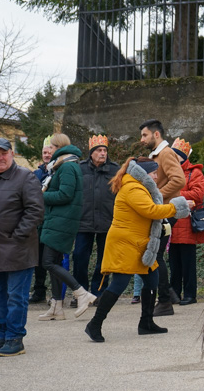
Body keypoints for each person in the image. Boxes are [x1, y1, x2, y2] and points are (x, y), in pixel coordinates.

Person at [83, 158, 189, 342]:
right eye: (154, 173)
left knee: (152, 278)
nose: (156, 176)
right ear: (143, 173)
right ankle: (94, 324)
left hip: (138, 244)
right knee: (119, 283)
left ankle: (146, 323)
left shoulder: (139, 187)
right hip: (125, 243)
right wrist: (176, 207)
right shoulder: (133, 187)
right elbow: (152, 211)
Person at [0, 138, 45, 357]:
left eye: (4, 153)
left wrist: (17, 237)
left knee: (16, 296)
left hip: (18, 249)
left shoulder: (25, 177)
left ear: (11, 154)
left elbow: (35, 211)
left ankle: (15, 337)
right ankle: (2, 333)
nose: (0, 157)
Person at [37, 133, 97, 321]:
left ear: (58, 147)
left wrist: (39, 195)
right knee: (52, 261)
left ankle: (80, 292)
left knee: (47, 262)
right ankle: (56, 306)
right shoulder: (63, 165)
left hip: (61, 221)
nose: (49, 151)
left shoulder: (67, 166)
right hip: (58, 220)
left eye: (51, 147)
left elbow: (65, 194)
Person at [139, 119, 185, 316]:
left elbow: (179, 179)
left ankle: (165, 300)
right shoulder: (158, 154)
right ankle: (169, 295)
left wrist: (157, 195)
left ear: (156, 135)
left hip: (165, 212)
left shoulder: (165, 153)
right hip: (162, 211)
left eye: (145, 135)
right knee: (156, 255)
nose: (142, 140)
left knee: (156, 256)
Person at [73, 134, 119, 301]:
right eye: (99, 150)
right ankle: (81, 294)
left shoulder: (115, 170)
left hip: (107, 221)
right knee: (79, 258)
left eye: (105, 150)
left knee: (104, 261)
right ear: (91, 153)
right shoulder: (80, 168)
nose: (102, 153)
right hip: (83, 222)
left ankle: (99, 293)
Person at [168, 138, 204, 305]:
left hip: (187, 223)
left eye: (175, 155)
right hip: (172, 222)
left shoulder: (194, 172)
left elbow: (198, 194)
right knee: (174, 262)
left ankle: (190, 294)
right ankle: (174, 293)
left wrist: (175, 195)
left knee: (188, 263)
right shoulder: (168, 171)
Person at [29, 137, 54, 304]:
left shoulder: (58, 172)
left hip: (51, 220)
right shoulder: (36, 174)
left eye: (49, 152)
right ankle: (39, 291)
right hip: (37, 221)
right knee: (37, 259)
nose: (46, 155)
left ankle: (56, 293)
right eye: (44, 152)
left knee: (50, 259)